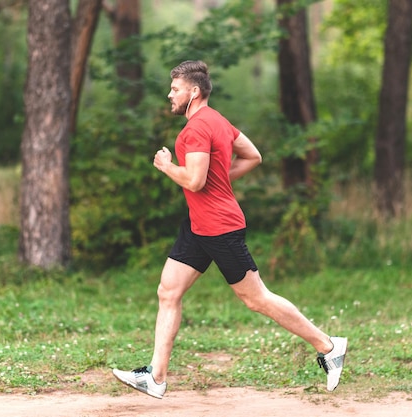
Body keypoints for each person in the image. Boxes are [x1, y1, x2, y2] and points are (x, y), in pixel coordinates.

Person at [112, 60, 347, 399]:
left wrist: (166, 166)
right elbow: (253, 156)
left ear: (194, 92)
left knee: (256, 298)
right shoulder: (218, 120)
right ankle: (156, 377)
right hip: (198, 226)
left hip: (219, 228)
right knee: (168, 292)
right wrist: (216, 180)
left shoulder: (194, 129)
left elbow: (194, 180)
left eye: (175, 89)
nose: (169, 95)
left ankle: (328, 346)